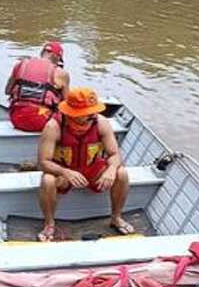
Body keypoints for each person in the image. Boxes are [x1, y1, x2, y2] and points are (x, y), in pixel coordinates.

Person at [36, 87, 135, 242]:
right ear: (72, 112)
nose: (91, 115)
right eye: (86, 113)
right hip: (64, 174)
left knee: (121, 173)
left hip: (92, 170)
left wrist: (111, 169)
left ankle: (116, 217)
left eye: (93, 111)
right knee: (47, 180)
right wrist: (66, 172)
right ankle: (49, 223)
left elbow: (114, 154)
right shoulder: (53, 127)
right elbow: (43, 162)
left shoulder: (101, 123)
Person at [4, 41, 70, 132]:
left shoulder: (20, 64)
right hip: (42, 120)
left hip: (16, 118)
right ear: (58, 57)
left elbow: (7, 91)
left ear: (42, 52)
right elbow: (68, 103)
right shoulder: (61, 73)